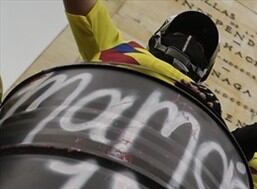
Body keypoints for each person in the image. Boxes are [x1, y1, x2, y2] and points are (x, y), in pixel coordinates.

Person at [63, 0, 222, 112]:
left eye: (199, 47)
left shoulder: (207, 104)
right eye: (179, 34)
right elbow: (86, 9)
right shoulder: (119, 48)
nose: (189, 41)